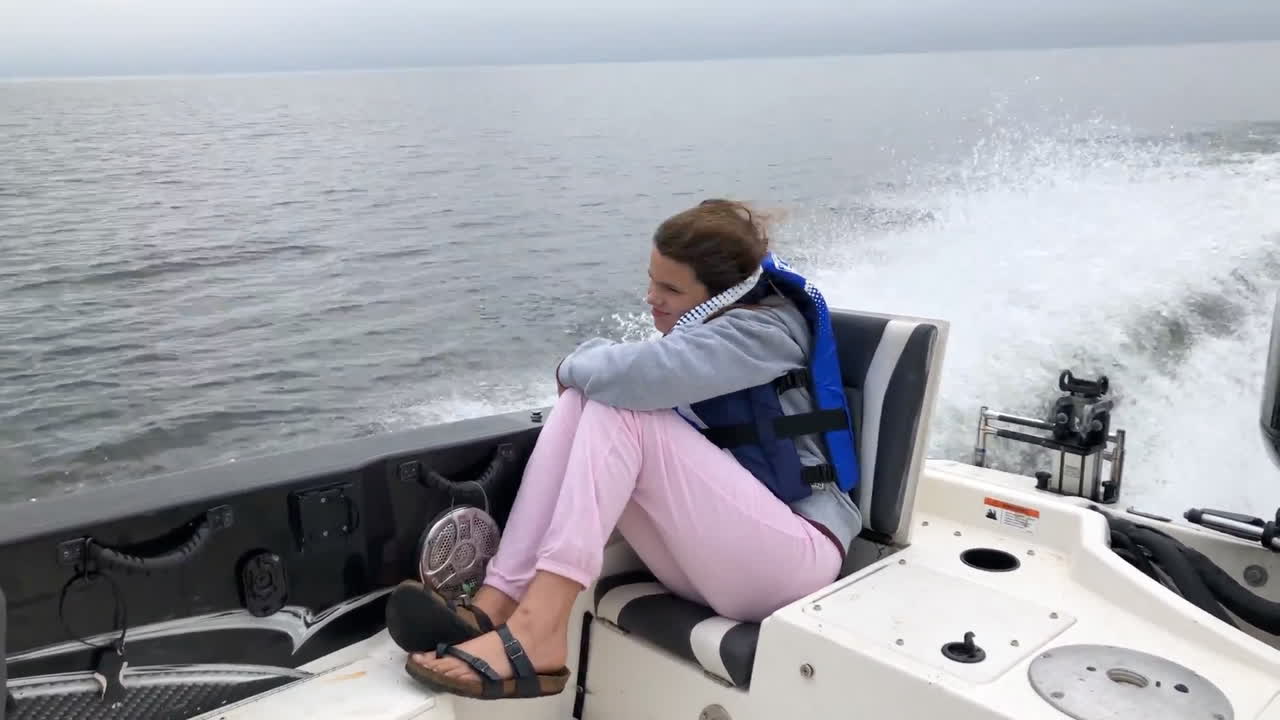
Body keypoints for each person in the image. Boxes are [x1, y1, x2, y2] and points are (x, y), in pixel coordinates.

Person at [387, 198, 863, 701]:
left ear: (721, 295)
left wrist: (572, 364)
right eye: (652, 280)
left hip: (792, 561)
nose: (651, 298)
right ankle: (496, 602)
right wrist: (580, 378)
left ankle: (540, 627)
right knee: (584, 403)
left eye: (671, 289)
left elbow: (641, 377)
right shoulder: (714, 326)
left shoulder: (762, 333)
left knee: (620, 408)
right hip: (720, 561)